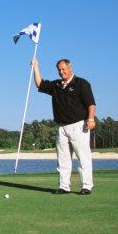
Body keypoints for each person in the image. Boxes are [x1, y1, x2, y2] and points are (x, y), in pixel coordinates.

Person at [31, 57, 96, 195]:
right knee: (63, 159)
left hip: (79, 126)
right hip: (61, 127)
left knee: (83, 157)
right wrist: (36, 67)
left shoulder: (81, 83)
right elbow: (40, 84)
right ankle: (64, 186)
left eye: (63, 69)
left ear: (70, 68)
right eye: (59, 70)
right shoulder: (56, 85)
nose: (61, 72)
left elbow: (91, 104)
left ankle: (86, 186)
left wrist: (91, 118)